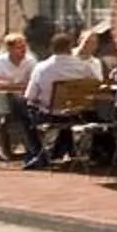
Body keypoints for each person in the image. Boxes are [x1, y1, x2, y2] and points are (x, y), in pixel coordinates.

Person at [22, 29, 100, 170]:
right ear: (70, 48)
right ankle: (66, 150)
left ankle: (38, 153)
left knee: (24, 113)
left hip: (50, 114)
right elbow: (95, 86)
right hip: (77, 113)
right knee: (65, 116)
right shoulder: (84, 66)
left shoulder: (42, 68)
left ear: (52, 48)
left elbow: (30, 96)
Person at [0, 33, 41, 162]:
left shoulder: (30, 61)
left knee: (29, 110)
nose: (23, 50)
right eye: (19, 47)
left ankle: (32, 149)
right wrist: (19, 86)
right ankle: (5, 147)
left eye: (24, 46)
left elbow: (35, 83)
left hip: (22, 99)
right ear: (9, 48)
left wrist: (9, 85)